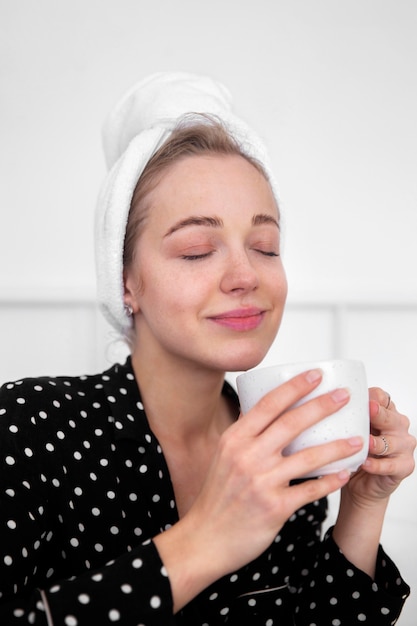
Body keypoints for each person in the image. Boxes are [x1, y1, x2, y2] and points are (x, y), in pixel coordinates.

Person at [0, 72, 415, 626]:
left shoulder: (281, 448)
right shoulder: (30, 429)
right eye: (197, 250)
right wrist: (205, 540)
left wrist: (362, 506)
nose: (246, 275)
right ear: (124, 281)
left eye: (265, 247)